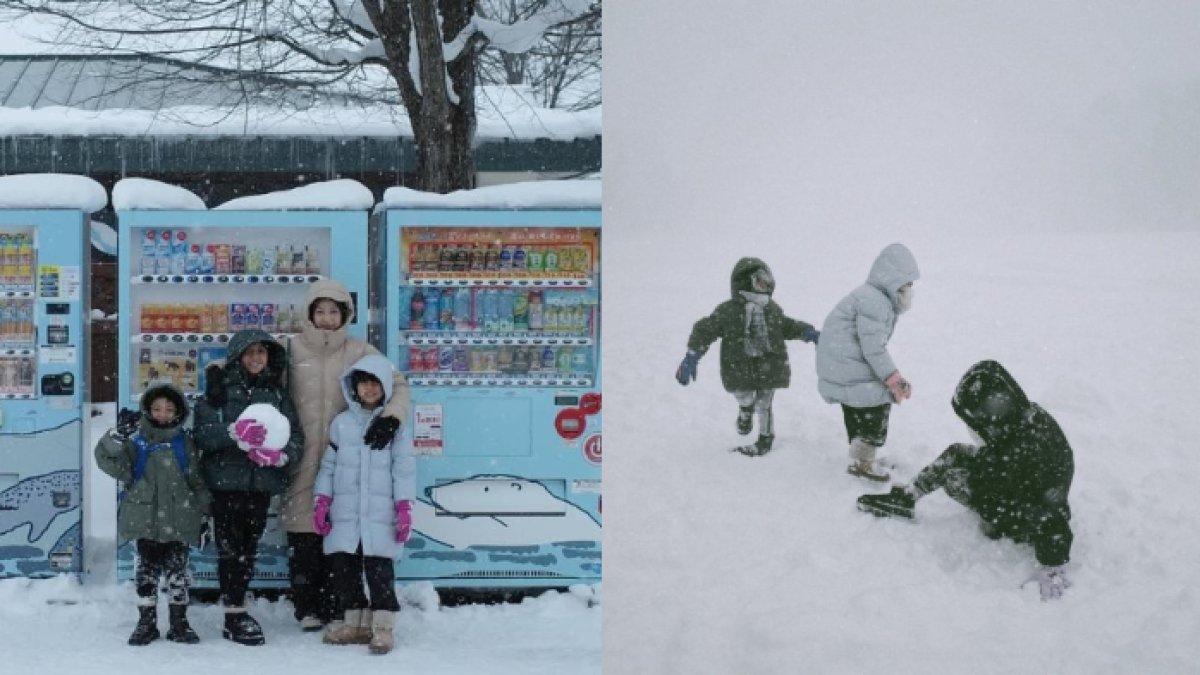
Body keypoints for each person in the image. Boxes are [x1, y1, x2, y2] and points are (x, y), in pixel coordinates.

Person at [857, 360, 1075, 600]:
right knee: (957, 453)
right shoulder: (1023, 421)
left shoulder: (1027, 455)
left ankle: (995, 525)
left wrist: (1053, 567)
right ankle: (909, 496)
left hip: (1015, 512)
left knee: (953, 476)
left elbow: (1053, 516)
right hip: (1009, 478)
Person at [280, 279, 411, 632]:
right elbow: (253, 369)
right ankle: (307, 606)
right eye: (320, 311)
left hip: (348, 459)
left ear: (345, 315)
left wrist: (391, 417)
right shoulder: (290, 349)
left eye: (333, 312)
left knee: (341, 536)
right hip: (301, 455)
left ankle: (339, 604)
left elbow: (397, 384)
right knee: (303, 534)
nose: (326, 318)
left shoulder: (360, 351)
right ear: (309, 314)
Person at [194, 329, 303, 645]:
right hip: (225, 483)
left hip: (260, 484)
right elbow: (201, 434)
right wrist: (232, 433)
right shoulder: (218, 390)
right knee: (230, 550)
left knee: (248, 549)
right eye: (250, 352)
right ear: (237, 356)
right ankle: (234, 614)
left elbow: (296, 435)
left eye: (262, 352)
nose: (256, 358)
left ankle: (237, 608)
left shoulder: (277, 394)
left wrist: (282, 456)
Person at [313, 354, 415, 655]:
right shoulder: (341, 424)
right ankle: (354, 623)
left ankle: (383, 628)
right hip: (345, 514)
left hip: (379, 515)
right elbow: (329, 466)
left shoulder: (395, 427)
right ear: (353, 388)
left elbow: (404, 469)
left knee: (379, 572)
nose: (369, 389)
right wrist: (322, 500)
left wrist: (404, 507)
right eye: (363, 383)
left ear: (385, 387)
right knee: (344, 570)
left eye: (375, 383)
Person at [94, 383, 210, 646]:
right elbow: (105, 459)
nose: (163, 414)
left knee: (178, 574)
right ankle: (146, 623)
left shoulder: (184, 443)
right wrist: (117, 436)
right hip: (144, 519)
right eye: (157, 408)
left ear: (178, 412)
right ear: (147, 410)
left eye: (169, 409)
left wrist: (205, 513)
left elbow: (196, 480)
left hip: (180, 518)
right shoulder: (136, 442)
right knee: (145, 575)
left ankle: (179, 623)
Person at [675, 257, 820, 456]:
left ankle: (765, 439)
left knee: (764, 403)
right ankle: (745, 408)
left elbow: (786, 325)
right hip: (738, 366)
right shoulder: (728, 310)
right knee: (743, 395)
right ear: (744, 281)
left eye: (767, 282)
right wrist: (692, 356)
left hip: (770, 363)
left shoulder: (771, 308)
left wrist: (808, 332)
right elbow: (705, 329)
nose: (765, 286)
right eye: (760, 282)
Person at [814, 242, 919, 481]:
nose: (909, 291)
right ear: (894, 281)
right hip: (845, 364)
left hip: (838, 364)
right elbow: (873, 348)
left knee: (856, 404)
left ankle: (862, 457)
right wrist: (894, 379)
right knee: (879, 400)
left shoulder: (870, 296)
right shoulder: (876, 301)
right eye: (907, 285)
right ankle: (863, 463)